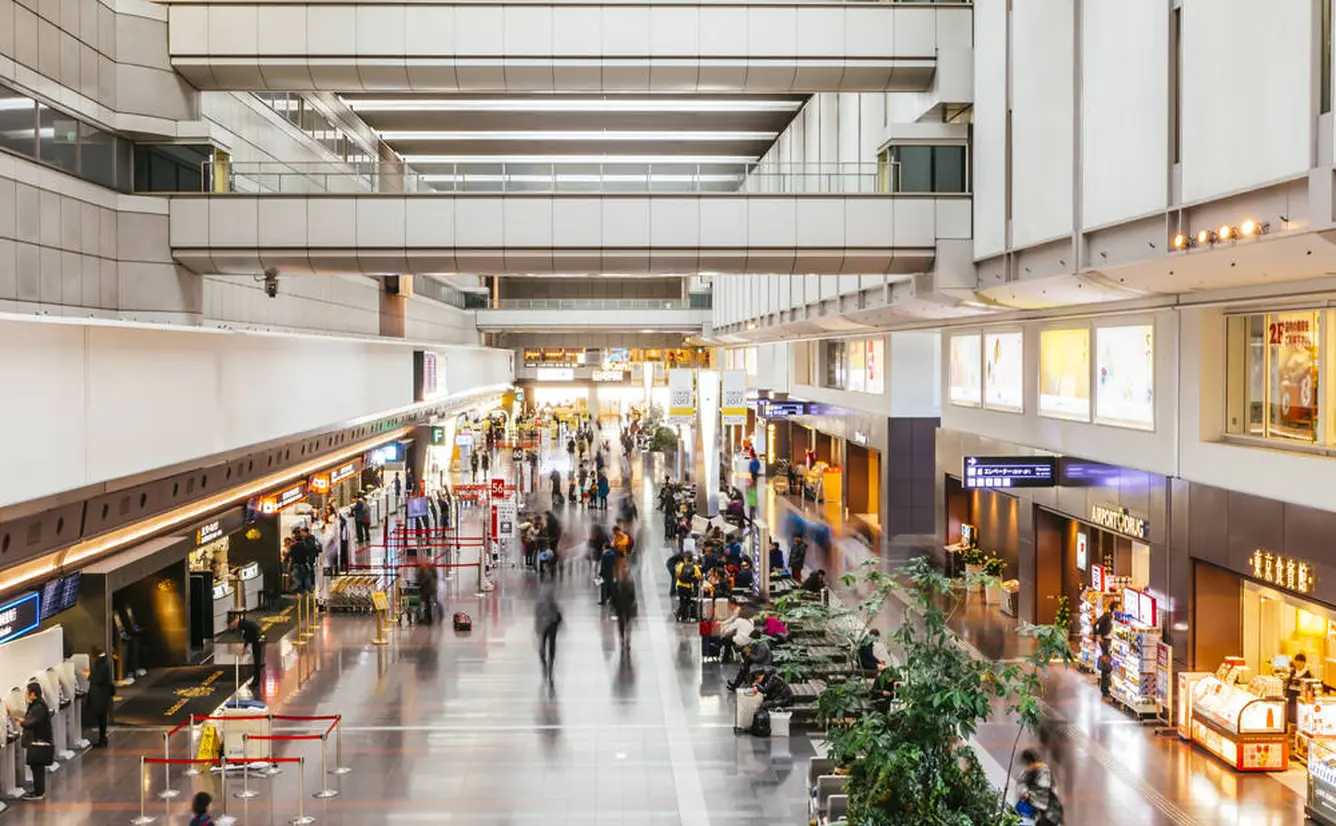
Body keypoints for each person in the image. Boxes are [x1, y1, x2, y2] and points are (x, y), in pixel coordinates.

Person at [19, 681, 52, 800]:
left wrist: (21, 722)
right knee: (37, 767)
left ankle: (38, 792)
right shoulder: (39, 704)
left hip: (37, 741)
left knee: (37, 767)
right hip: (38, 740)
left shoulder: (38, 707)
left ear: (33, 693)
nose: (27, 695)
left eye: (28, 693)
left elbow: (32, 722)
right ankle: (39, 791)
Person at [1017, 748, 1064, 825]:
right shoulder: (1035, 770)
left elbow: (1043, 790)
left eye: (1025, 762)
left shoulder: (1042, 771)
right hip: (1047, 813)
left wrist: (1028, 794)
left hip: (1049, 814)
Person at [228, 613, 266, 690]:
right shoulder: (242, 623)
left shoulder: (242, 624)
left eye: (232, 625)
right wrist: (245, 648)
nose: (232, 627)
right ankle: (256, 680)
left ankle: (256, 682)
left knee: (257, 662)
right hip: (259, 638)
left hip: (258, 639)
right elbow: (248, 635)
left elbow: (248, 636)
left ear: (234, 621)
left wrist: (244, 648)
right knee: (257, 661)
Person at [535, 587, 563, 688]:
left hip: (545, 625)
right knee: (551, 645)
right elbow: (558, 614)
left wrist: (537, 625)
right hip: (551, 625)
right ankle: (549, 663)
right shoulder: (553, 603)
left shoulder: (540, 603)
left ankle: (545, 663)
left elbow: (537, 614)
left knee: (543, 644)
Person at [86, 645, 113, 747]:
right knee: (102, 719)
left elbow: (97, 679)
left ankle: (102, 739)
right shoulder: (104, 662)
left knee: (101, 719)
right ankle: (102, 738)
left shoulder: (101, 664)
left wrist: (89, 676)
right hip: (102, 696)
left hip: (99, 696)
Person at [1092, 602, 1117, 698]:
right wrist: (1098, 636)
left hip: (1110, 641)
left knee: (1109, 664)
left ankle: (1107, 687)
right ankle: (1105, 689)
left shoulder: (1114, 618)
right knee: (1106, 664)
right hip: (1105, 641)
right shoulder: (1107, 616)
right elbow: (1096, 625)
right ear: (1114, 609)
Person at [1285, 653, 1314, 734]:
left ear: (1304, 663)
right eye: (1296, 661)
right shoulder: (1293, 672)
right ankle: (1292, 733)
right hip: (1291, 698)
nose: (1298, 664)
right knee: (1291, 717)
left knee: (1299, 717)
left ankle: (1298, 733)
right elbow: (1289, 684)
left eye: (1300, 662)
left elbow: (1309, 689)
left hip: (1300, 699)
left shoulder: (1308, 674)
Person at [674, 553, 701, 622]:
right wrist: (693, 578)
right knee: (687, 602)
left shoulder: (681, 565)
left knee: (682, 601)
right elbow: (699, 577)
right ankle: (682, 616)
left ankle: (680, 615)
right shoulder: (695, 567)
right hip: (688, 586)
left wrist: (680, 578)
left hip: (680, 585)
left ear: (686, 559)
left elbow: (677, 574)